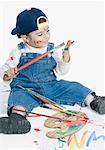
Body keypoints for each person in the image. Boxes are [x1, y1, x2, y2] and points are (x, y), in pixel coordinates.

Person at [0, 8, 105, 134]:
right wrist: (7, 75)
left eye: (47, 31)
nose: (46, 36)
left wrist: (65, 58)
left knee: (73, 87)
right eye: (40, 34)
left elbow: (61, 71)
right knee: (18, 99)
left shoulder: (51, 49)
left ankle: (93, 101)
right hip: (25, 89)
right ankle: (17, 120)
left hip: (50, 85)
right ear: (25, 38)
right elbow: (5, 71)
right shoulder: (18, 51)